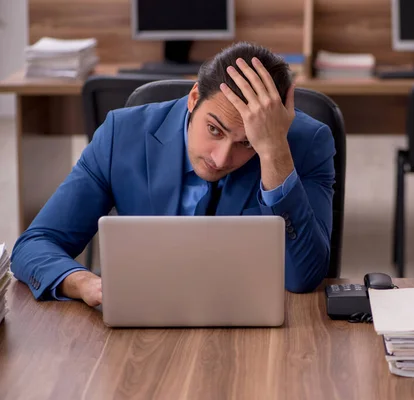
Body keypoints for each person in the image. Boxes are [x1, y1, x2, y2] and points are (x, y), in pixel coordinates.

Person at [10, 42, 336, 307]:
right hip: (146, 322)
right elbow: (35, 244)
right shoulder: (121, 135)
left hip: (251, 331)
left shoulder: (304, 144)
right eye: (214, 129)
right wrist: (85, 284)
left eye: (246, 143)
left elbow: (303, 276)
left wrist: (273, 151)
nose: (221, 158)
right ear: (194, 98)